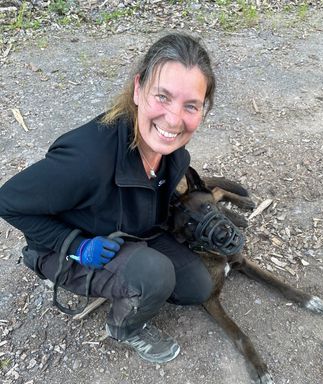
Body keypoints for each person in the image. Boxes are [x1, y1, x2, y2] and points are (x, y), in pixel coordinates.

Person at [0, 33, 216, 364]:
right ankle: (124, 328)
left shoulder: (170, 151)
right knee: (154, 275)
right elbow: (8, 201)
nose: (174, 119)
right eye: (162, 97)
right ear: (139, 89)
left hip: (132, 231)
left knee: (196, 287)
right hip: (69, 248)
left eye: (191, 105)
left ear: (203, 108)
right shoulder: (87, 160)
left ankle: (139, 274)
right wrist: (75, 246)